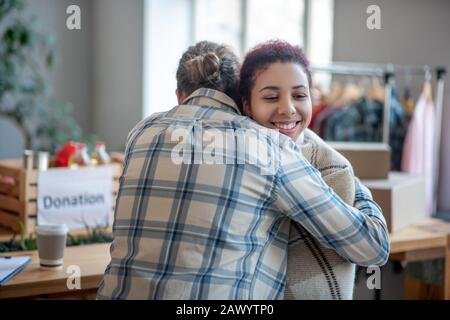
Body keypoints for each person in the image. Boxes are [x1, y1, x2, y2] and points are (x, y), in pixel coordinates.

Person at [97, 40, 389, 300]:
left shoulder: (142, 132)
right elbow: (373, 248)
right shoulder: (270, 148)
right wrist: (355, 183)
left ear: (179, 95)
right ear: (241, 101)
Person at [239, 40, 366, 299]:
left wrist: (361, 191)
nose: (288, 108)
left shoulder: (333, 169)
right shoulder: (231, 162)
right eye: (271, 97)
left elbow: (370, 249)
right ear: (247, 105)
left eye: (299, 95)